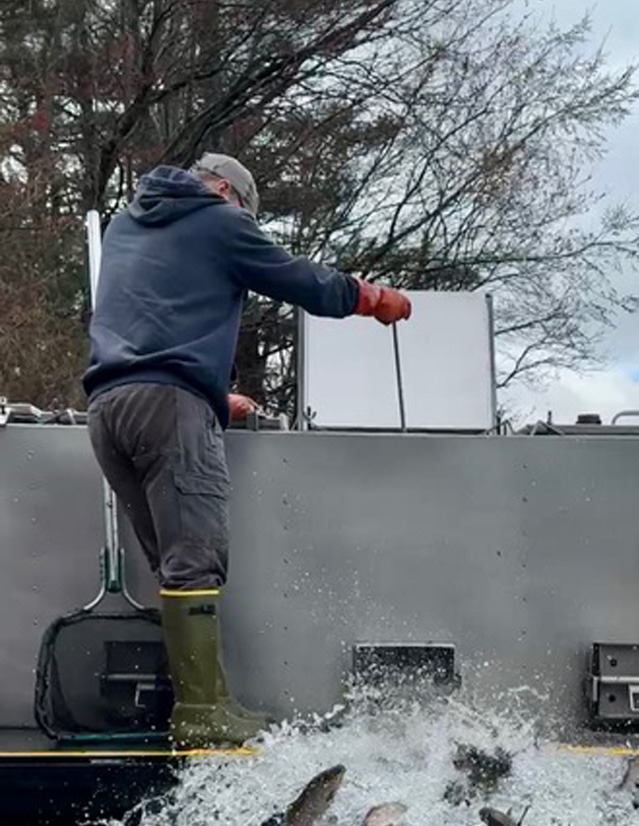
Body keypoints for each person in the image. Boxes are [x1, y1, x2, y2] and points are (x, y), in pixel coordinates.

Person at [83, 152, 412, 749]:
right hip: (167, 406)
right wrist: (369, 297)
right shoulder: (219, 219)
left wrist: (211, 393)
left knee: (172, 565)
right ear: (226, 191)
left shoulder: (128, 223)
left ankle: (205, 703)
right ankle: (202, 714)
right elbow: (300, 281)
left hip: (108, 408)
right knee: (195, 559)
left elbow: (153, 313)